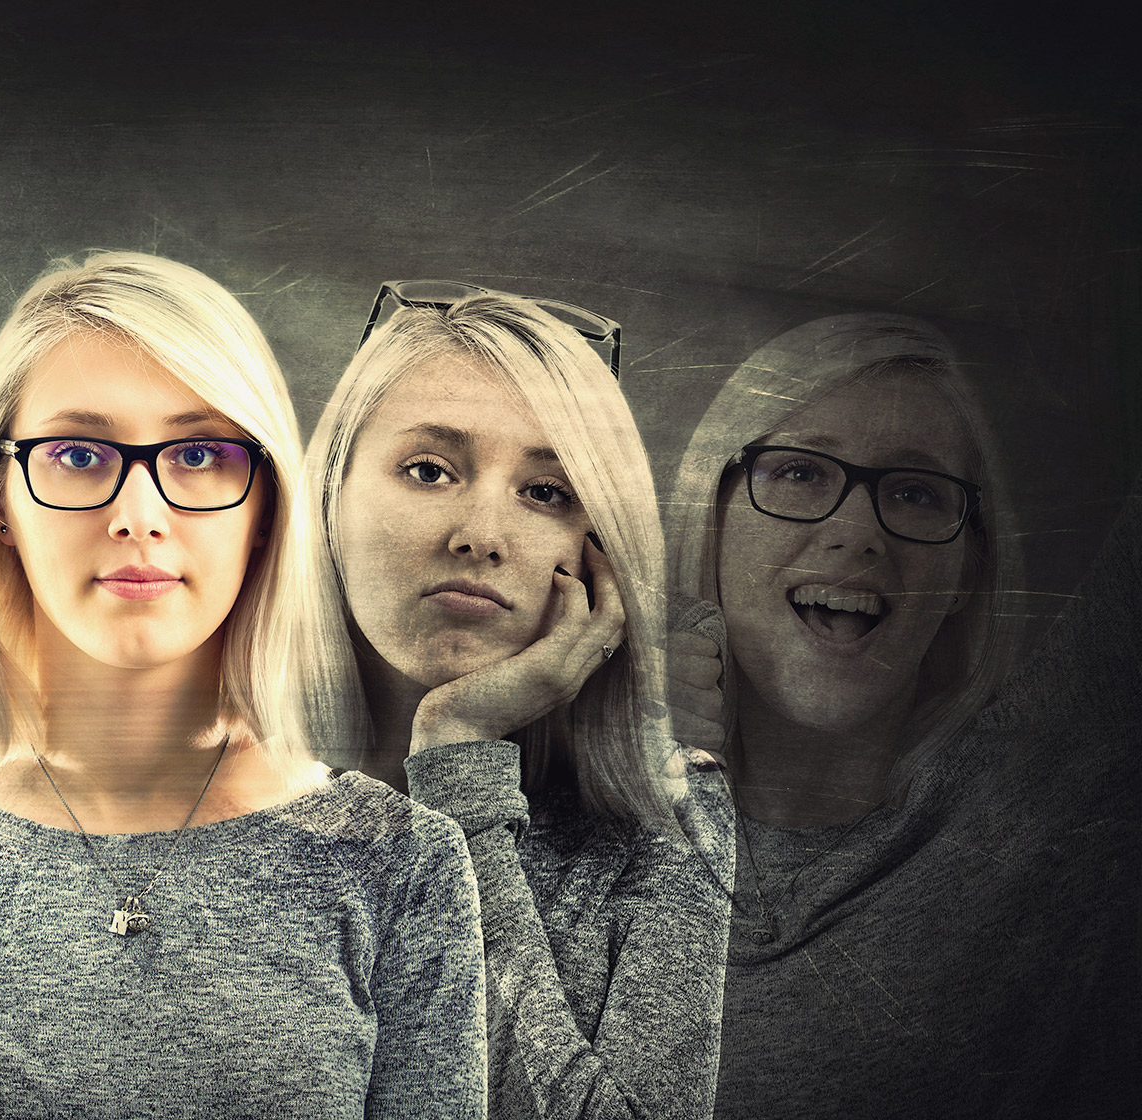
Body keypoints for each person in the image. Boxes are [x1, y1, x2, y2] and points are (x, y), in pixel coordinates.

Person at [0, 252, 485, 1120]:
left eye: (202, 454)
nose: (139, 513)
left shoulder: (401, 865)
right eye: (76, 453)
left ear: (266, 508)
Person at [664, 313, 1135, 1117]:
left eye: (916, 493)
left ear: (967, 571)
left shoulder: (1050, 813)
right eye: (801, 473)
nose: (857, 533)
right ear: (712, 522)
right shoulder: (556, 798)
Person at [307, 283, 734, 1120]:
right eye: (429, 470)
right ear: (330, 497)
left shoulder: (667, 815)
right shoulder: (206, 790)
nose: (481, 534)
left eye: (545, 492)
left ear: (598, 551)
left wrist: (458, 760)